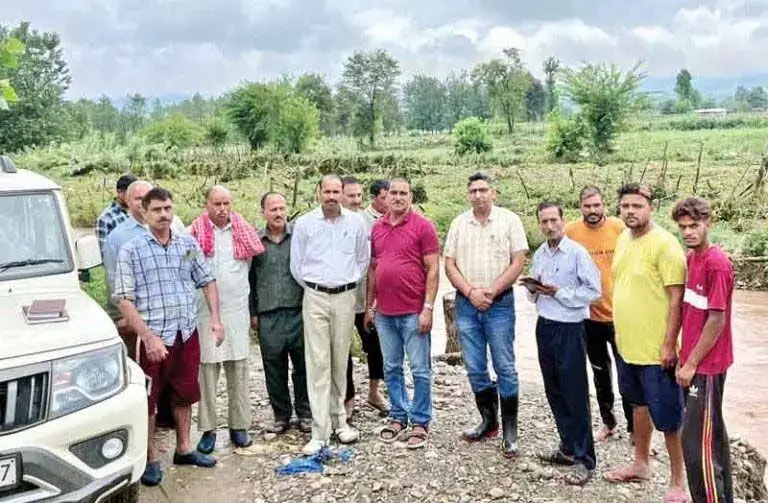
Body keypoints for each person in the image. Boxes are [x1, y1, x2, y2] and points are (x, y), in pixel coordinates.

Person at [113, 187, 225, 486]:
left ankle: (184, 448)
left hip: (185, 332)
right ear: (144, 213)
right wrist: (147, 337)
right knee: (148, 399)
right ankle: (150, 457)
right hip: (153, 337)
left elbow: (207, 280)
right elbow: (124, 298)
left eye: (167, 208)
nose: (163, 215)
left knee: (185, 392)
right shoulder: (133, 249)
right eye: (157, 210)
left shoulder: (187, 245)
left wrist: (215, 319)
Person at [604, 184, 688, 503]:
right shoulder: (623, 239)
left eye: (637, 205)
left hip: (657, 350)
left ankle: (678, 480)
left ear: (650, 207)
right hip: (628, 345)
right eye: (624, 206)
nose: (630, 211)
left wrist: (669, 345)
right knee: (638, 406)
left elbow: (677, 300)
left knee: (669, 417)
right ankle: (641, 464)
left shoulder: (665, 245)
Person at [444, 172, 528, 458]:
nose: (478, 195)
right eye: (473, 191)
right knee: (475, 366)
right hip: (467, 303)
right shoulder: (458, 223)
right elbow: (450, 264)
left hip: (500, 302)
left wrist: (491, 291)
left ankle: (510, 431)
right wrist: (470, 292)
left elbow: (518, 261)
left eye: (483, 190)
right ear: (468, 194)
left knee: (504, 365)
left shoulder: (510, 220)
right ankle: (488, 421)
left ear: (494, 192)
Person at [290, 174, 370, 455]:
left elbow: (363, 259)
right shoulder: (305, 224)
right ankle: (319, 430)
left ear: (342, 194)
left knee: (340, 359)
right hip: (314, 296)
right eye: (328, 191)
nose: (332, 196)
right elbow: (296, 265)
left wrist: (346, 283)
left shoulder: (356, 222)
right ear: (318, 193)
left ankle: (340, 422)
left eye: (337, 192)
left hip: (346, 296)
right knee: (318, 362)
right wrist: (318, 286)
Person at [525, 201, 601, 486]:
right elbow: (534, 296)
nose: (549, 226)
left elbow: (594, 291)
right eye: (544, 222)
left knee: (575, 392)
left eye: (553, 220)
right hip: (544, 326)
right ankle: (568, 448)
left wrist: (559, 293)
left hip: (570, 329)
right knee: (553, 389)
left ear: (562, 221)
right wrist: (534, 289)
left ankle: (585, 459)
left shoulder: (577, 253)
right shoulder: (540, 254)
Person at [364, 178, 440, 448]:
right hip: (385, 313)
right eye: (393, 193)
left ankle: (420, 421)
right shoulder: (377, 228)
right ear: (385, 197)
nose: (398, 197)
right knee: (392, 367)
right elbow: (374, 269)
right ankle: (398, 415)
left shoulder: (423, 227)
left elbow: (433, 268)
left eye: (403, 193)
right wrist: (370, 306)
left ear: (410, 196)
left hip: (413, 311)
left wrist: (428, 308)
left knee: (420, 369)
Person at [190, 185, 265, 454]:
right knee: (208, 372)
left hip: (236, 310)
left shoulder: (241, 230)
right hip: (205, 312)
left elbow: (251, 266)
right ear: (206, 205)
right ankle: (208, 429)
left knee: (239, 367)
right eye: (217, 204)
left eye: (226, 204)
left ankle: (239, 426)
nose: (222, 209)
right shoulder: (194, 233)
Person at [672, 197, 734, 503]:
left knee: (696, 445)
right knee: (711, 439)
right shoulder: (692, 258)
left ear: (709, 223)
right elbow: (691, 314)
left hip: (708, 366)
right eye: (683, 227)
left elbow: (716, 320)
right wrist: (682, 356)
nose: (688, 232)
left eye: (694, 225)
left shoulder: (716, 264)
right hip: (694, 361)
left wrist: (691, 363)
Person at [565, 185, 634, 442]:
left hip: (622, 316)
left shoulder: (620, 228)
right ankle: (608, 423)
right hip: (589, 317)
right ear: (580, 206)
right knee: (599, 372)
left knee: (627, 373)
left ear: (604, 205)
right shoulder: (571, 231)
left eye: (597, 205)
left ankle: (634, 429)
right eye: (587, 206)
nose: (593, 211)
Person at [249, 192, 312, 435]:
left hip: (299, 311)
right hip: (269, 315)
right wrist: (252, 313)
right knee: (273, 367)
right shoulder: (255, 242)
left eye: (281, 208)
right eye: (272, 209)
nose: (278, 213)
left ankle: (305, 413)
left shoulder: (299, 237)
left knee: (303, 366)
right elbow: (250, 280)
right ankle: (281, 415)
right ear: (263, 212)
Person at [340, 176, 388, 420]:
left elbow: (376, 263)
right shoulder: (331, 224)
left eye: (359, 196)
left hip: (366, 298)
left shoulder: (373, 223)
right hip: (340, 299)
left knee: (375, 345)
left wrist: (374, 301)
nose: (356, 200)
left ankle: (374, 391)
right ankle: (348, 397)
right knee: (343, 349)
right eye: (351, 196)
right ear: (339, 196)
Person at [104, 180, 153, 348]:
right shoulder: (117, 238)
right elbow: (113, 280)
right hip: (137, 320)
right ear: (128, 201)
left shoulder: (173, 225)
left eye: (148, 197)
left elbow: (190, 255)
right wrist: (125, 318)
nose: (143, 202)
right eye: (138, 198)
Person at [96, 173, 137, 257]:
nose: (134, 198)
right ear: (119, 192)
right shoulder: (106, 219)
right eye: (130, 194)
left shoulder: (142, 213)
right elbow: (105, 253)